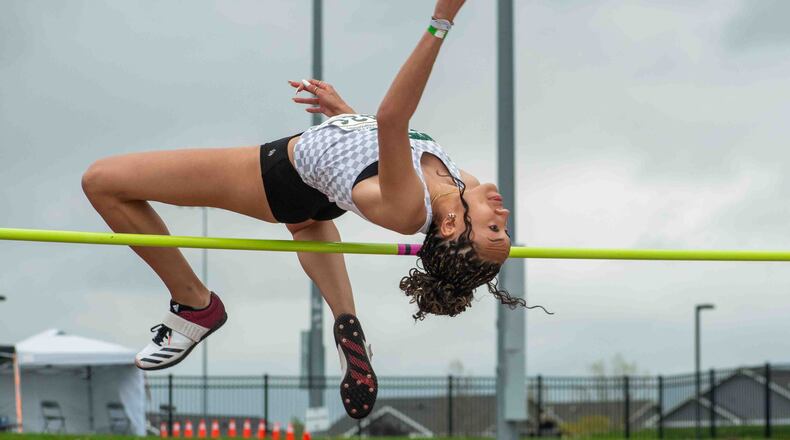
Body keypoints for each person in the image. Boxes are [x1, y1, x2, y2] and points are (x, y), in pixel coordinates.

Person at [81, 0, 523, 419]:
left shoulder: (411, 210)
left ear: (449, 226)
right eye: (505, 230)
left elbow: (392, 120)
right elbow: (380, 148)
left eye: (493, 230)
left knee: (103, 182)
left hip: (279, 177)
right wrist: (343, 115)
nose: (503, 218)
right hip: (323, 188)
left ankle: (194, 304)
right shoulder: (457, 182)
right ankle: (346, 320)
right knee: (309, 222)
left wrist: (441, 19)